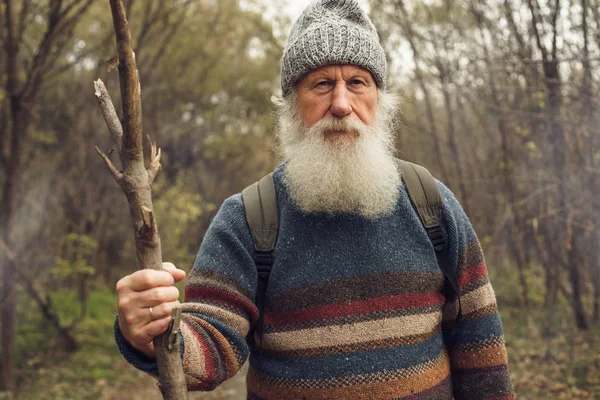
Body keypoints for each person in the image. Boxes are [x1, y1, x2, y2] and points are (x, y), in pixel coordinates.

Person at [114, 0, 515, 398]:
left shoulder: (430, 203)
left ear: (379, 100)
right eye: (321, 84)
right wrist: (152, 330)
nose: (341, 104)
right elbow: (211, 344)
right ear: (292, 105)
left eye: (358, 82)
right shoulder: (250, 218)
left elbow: (480, 346)